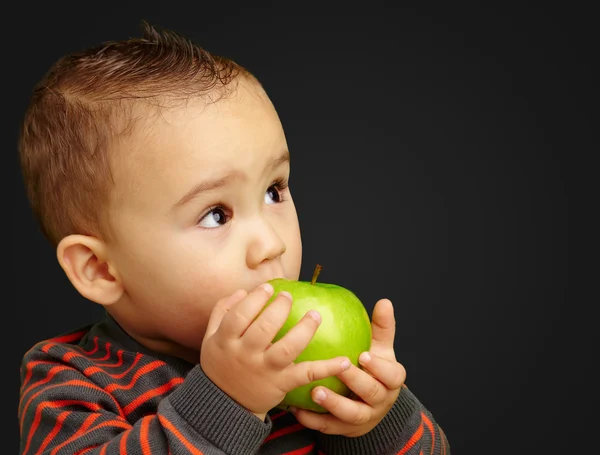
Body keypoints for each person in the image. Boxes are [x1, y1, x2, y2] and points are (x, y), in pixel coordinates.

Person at [17, 21, 450, 454]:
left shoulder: (306, 357)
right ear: (100, 269)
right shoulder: (70, 382)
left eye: (273, 191)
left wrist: (372, 419)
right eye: (215, 215)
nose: (271, 244)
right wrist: (226, 400)